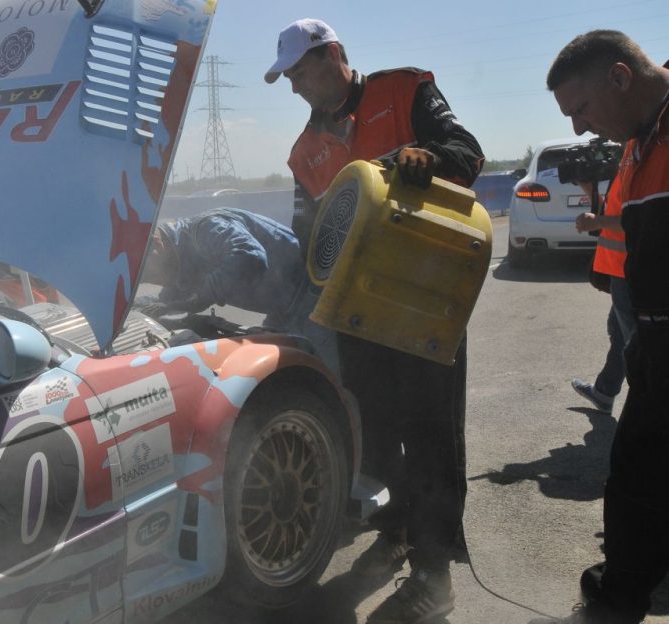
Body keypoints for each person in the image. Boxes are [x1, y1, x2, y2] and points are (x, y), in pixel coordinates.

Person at [265, 17, 484, 624]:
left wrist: (426, 157)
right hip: (359, 314)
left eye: (300, 71)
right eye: (287, 78)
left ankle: (434, 576)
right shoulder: (303, 152)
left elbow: (468, 154)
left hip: (423, 294)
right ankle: (396, 533)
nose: (294, 88)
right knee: (378, 434)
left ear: (333, 53)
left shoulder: (405, 91)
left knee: (434, 436)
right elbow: (308, 240)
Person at [529, 31, 669, 624]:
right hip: (653, 341)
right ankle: (624, 590)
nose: (581, 129)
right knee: (638, 473)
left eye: (580, 109)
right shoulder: (641, 143)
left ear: (619, 77)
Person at [139, 206, 339, 372]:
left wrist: (203, 296)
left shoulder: (205, 229)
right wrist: (128, 306)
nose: (155, 280)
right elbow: (165, 301)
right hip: (283, 310)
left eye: (150, 273)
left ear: (157, 243)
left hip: (313, 295)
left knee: (327, 378)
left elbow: (250, 255)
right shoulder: (179, 261)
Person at [571, 173, 636, 415]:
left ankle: (650, 404)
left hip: (633, 269)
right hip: (622, 269)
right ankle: (604, 392)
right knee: (620, 333)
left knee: (635, 341)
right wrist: (591, 192)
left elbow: (637, 219)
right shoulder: (629, 160)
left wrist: (597, 222)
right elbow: (618, 210)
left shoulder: (643, 158)